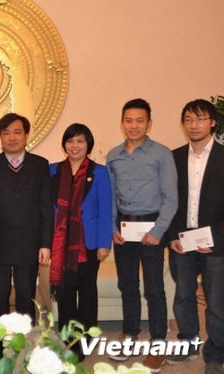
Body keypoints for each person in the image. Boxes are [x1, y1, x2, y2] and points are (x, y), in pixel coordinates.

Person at [106, 98, 178, 372]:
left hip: (152, 227)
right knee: (127, 285)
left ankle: (158, 342)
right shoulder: (113, 155)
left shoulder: (161, 154)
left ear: (149, 123)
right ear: (122, 123)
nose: (133, 126)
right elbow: (112, 196)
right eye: (128, 120)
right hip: (124, 228)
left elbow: (171, 198)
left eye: (139, 120)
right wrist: (112, 228)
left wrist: (158, 231)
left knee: (154, 288)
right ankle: (130, 333)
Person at [0, 112, 53, 356]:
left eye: (17, 132)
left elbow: (45, 206)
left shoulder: (40, 165)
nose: (12, 137)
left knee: (25, 297)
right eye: (6, 132)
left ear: (27, 135)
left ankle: (23, 342)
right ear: (0, 136)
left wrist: (45, 243)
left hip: (29, 243)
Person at [166, 99, 224, 374]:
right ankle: (187, 344)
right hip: (182, 240)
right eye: (189, 119)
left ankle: (215, 354)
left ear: (212, 122)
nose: (194, 124)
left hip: (216, 243)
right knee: (183, 297)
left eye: (200, 119)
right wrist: (171, 236)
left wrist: (217, 238)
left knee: (217, 302)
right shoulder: (174, 157)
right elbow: (168, 201)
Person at [49, 123, 112, 360]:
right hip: (61, 242)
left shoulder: (100, 172)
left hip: (90, 242)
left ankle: (86, 336)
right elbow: (48, 208)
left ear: (88, 145)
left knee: (86, 290)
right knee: (65, 291)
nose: (75, 146)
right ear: (64, 144)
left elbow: (106, 209)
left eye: (80, 141)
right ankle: (68, 336)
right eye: (70, 141)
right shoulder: (53, 170)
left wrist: (105, 242)